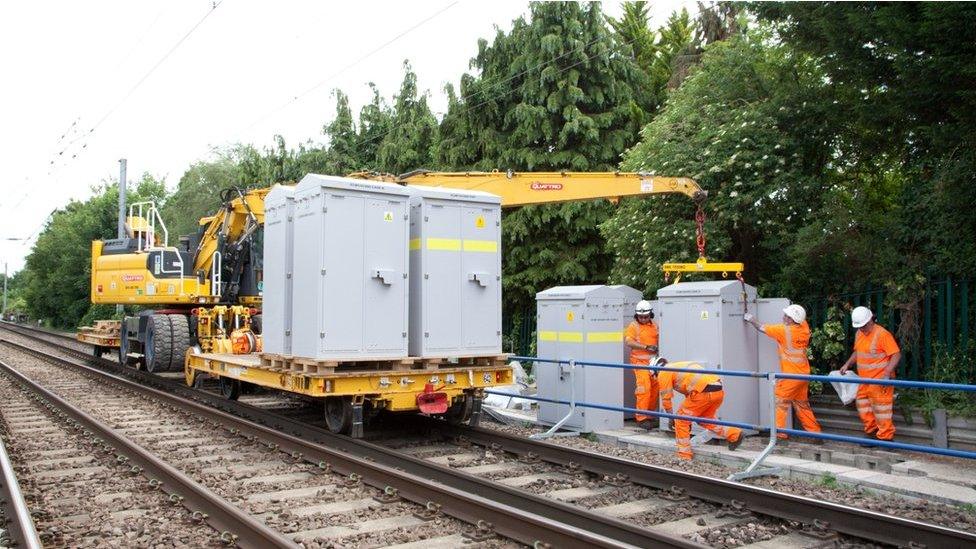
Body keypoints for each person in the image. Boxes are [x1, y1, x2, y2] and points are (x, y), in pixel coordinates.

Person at [744, 305, 822, 442]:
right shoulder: (804, 327)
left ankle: (779, 435)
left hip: (791, 376)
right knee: (802, 404)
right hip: (804, 374)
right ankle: (816, 434)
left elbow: (761, 327)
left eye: (787, 316)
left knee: (779, 402)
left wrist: (750, 319)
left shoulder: (783, 331)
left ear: (792, 319)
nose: (783, 317)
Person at [656, 357, 743, 459]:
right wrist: (689, 417)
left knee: (680, 420)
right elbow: (689, 395)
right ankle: (734, 434)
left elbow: (666, 398)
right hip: (717, 391)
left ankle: (684, 455)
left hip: (703, 393)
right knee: (704, 419)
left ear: (655, 370)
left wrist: (671, 418)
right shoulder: (680, 366)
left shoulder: (664, 372)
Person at [840, 306, 901, 442]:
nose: (861, 329)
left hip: (880, 380)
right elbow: (857, 352)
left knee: (882, 410)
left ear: (870, 321)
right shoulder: (859, 334)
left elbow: (896, 354)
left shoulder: (882, 334)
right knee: (863, 407)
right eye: (859, 326)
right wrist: (847, 364)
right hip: (864, 380)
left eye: (863, 326)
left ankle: (885, 438)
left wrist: (887, 374)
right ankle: (871, 433)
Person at [624, 300, 660, 428]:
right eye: (640, 317)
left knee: (655, 389)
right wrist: (646, 347)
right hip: (639, 363)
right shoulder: (634, 326)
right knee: (644, 388)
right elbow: (628, 342)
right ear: (636, 316)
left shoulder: (655, 326)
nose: (643, 319)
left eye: (646, 316)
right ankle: (641, 418)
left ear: (651, 315)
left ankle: (649, 416)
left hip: (653, 364)